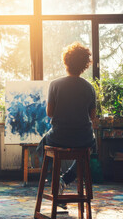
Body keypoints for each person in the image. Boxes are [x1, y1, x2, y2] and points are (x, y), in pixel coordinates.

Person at [37, 41, 97, 202]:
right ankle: (66, 179)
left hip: (59, 137)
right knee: (91, 147)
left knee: (42, 144)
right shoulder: (89, 87)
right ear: (85, 65)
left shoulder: (55, 84)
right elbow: (92, 117)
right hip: (83, 139)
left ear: (66, 62)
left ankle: (54, 181)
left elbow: (50, 113)